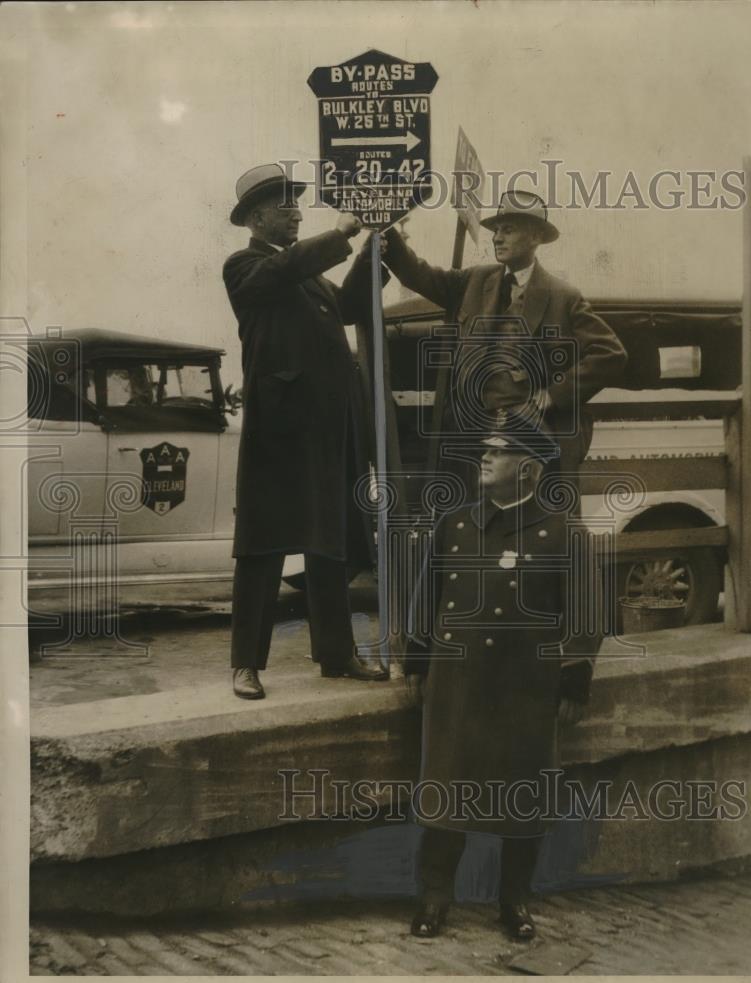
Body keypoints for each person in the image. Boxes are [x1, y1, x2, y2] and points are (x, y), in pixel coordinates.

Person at [404, 422, 605, 940]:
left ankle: (514, 902)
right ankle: (433, 898)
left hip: (524, 689)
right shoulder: (455, 524)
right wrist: (419, 663)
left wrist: (572, 680)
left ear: (530, 469)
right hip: (457, 685)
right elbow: (427, 597)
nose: (485, 457)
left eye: (500, 451)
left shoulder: (564, 532)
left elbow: (586, 614)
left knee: (524, 797)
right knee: (446, 795)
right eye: (486, 449)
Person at [223, 162, 386, 699]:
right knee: (261, 549)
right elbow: (282, 271)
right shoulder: (244, 266)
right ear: (256, 217)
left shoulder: (309, 274)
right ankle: (245, 664)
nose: (295, 210)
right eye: (284, 203)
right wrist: (340, 232)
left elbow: (350, 306)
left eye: (297, 201)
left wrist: (373, 249)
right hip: (278, 431)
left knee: (329, 546)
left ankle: (337, 656)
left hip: (322, 431)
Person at [383, 190, 627, 499]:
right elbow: (419, 274)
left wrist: (553, 394)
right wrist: (384, 228)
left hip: (526, 446)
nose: (497, 238)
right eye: (496, 230)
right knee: (468, 530)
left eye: (508, 229)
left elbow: (611, 354)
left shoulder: (563, 296)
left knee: (524, 528)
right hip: (469, 438)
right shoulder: (474, 280)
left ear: (535, 236)